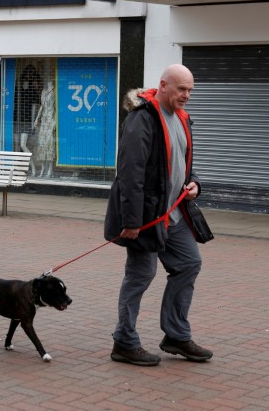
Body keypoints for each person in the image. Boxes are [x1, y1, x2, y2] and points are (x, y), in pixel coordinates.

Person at [105, 64, 213, 367]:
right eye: (182, 89)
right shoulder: (142, 119)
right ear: (163, 85)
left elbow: (181, 161)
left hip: (175, 215)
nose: (187, 95)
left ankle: (176, 336)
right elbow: (130, 175)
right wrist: (131, 221)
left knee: (189, 263)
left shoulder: (181, 118)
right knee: (141, 275)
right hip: (147, 217)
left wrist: (194, 184)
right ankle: (124, 342)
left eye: (190, 90)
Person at [33, 80, 56, 177]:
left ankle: (49, 170)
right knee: (42, 144)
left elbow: (56, 108)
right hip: (44, 120)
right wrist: (36, 119)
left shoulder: (55, 92)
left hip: (51, 119)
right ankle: (43, 169)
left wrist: (55, 122)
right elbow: (42, 107)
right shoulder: (43, 91)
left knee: (49, 145)